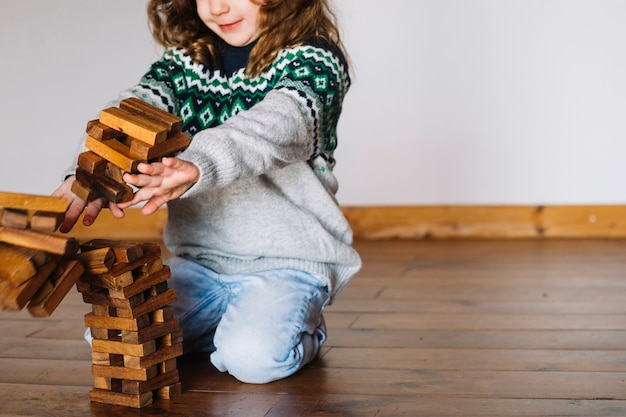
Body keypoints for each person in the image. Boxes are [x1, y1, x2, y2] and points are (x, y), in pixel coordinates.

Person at [54, 0, 361, 384]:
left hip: (288, 263)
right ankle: (231, 322)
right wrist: (87, 177)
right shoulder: (183, 66)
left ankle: (300, 328)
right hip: (202, 264)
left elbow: (277, 126)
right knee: (113, 337)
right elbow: (131, 115)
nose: (218, 7)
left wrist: (199, 162)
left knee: (253, 360)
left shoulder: (317, 61)